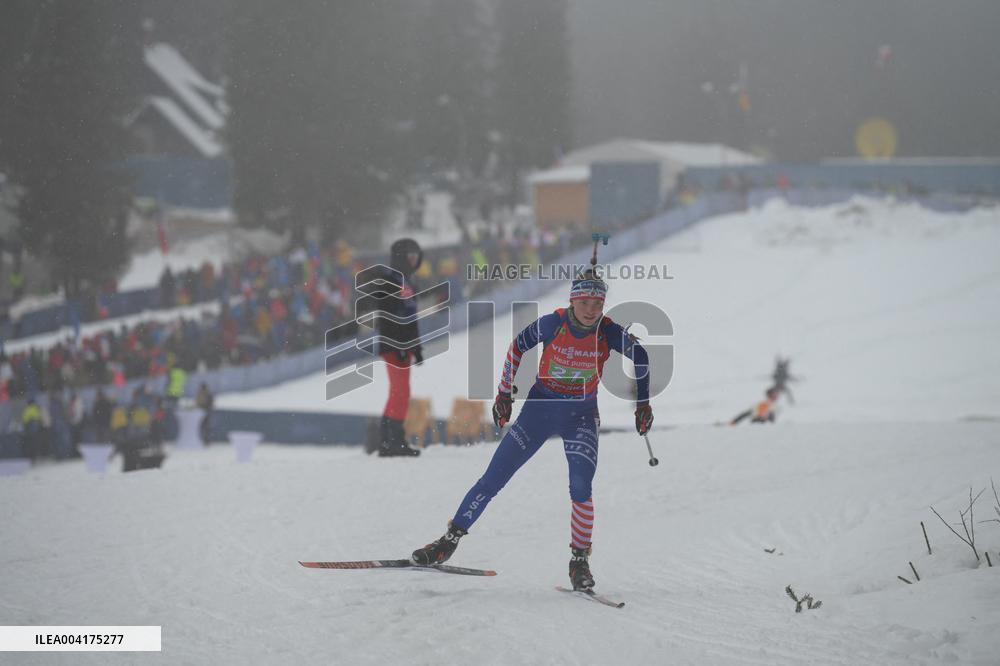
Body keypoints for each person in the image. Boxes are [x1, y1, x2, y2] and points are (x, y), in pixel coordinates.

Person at [410, 270, 653, 591]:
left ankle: (579, 561)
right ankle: (448, 541)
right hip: (538, 413)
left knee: (581, 486)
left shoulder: (608, 332)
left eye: (598, 303)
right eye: (585, 302)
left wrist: (643, 403)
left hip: (581, 417)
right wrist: (503, 394)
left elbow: (641, 355)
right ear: (573, 301)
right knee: (492, 480)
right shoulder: (554, 324)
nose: (592, 310)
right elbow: (516, 348)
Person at [369, 238, 425, 458]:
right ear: (401, 257)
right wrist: (399, 344)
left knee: (402, 392)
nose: (414, 260)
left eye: (415, 256)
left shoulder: (408, 282)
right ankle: (392, 440)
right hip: (393, 345)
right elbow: (387, 317)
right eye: (409, 256)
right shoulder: (388, 281)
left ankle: (391, 440)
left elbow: (411, 319)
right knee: (399, 392)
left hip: (405, 346)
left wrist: (416, 347)